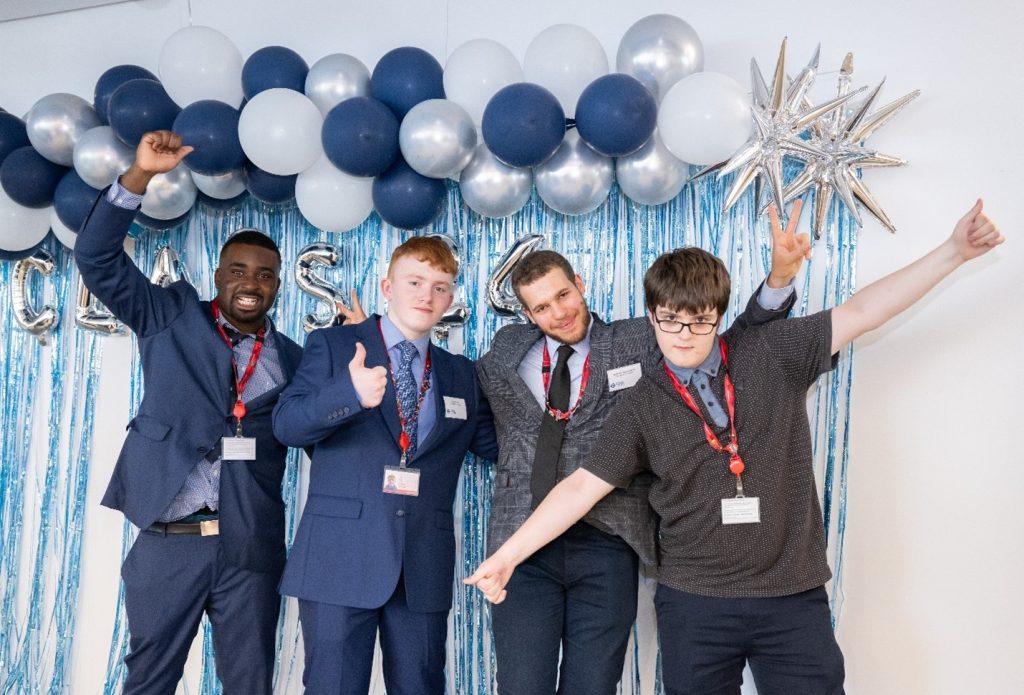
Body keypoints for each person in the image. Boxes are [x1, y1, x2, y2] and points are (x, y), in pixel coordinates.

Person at [467, 200, 1004, 695]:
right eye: (669, 321)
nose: (683, 335)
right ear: (650, 315)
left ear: (719, 314)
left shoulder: (771, 351)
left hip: (791, 595)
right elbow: (583, 485)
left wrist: (953, 251)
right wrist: (508, 556)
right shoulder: (641, 402)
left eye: (699, 320)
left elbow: (864, 311)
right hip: (694, 601)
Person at [474, 202, 808, 695]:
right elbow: (483, 422)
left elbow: (729, 342)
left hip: (609, 538)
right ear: (527, 313)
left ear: (580, 283)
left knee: (593, 685)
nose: (559, 311)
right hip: (522, 540)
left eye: (564, 294)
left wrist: (777, 284)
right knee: (521, 684)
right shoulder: (504, 352)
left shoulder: (638, 339)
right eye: (542, 306)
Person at [74, 130, 304, 694]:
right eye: (239, 270)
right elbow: (96, 256)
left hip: (248, 548)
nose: (251, 283)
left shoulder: (295, 359)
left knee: (249, 685)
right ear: (220, 274)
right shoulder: (169, 314)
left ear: (276, 284)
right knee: (149, 681)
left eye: (265, 274)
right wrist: (139, 177)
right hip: (166, 539)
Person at [272, 236, 498, 695]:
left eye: (440, 287)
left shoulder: (460, 373)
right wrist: (348, 395)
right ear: (386, 286)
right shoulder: (335, 346)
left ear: (451, 298)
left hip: (422, 567)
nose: (426, 295)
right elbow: (287, 427)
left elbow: (498, 447)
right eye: (414, 281)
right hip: (339, 560)